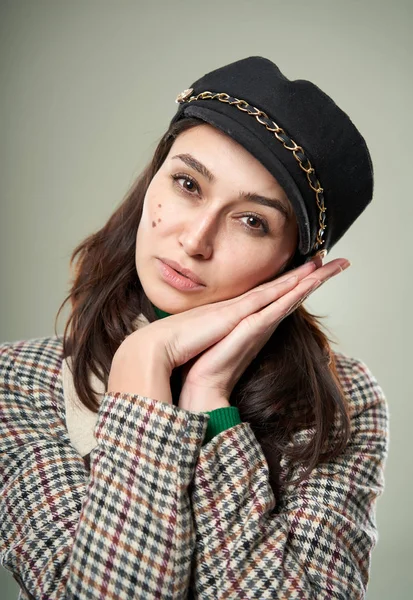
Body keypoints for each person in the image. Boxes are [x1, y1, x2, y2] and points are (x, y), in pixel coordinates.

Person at [0, 56, 389, 600]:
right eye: (187, 184)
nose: (196, 239)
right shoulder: (19, 382)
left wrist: (211, 400)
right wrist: (144, 364)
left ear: (295, 264)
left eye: (252, 221)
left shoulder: (342, 401)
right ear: (152, 181)